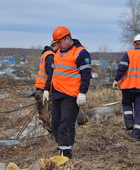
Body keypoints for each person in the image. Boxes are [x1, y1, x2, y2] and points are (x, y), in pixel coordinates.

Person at [49, 26, 92, 159]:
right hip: (57, 93)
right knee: (55, 123)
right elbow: (53, 73)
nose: (58, 45)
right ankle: (62, 147)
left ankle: (66, 153)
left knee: (65, 124)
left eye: (60, 42)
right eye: (56, 43)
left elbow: (86, 74)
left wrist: (82, 92)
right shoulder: (58, 53)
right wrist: (47, 89)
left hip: (71, 95)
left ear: (68, 38)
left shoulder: (80, 53)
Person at [113, 34, 140, 141]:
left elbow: (122, 68)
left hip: (128, 87)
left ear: (134, 44)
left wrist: (116, 80)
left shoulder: (129, 54)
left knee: (126, 104)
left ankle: (130, 123)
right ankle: (137, 135)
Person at [34, 41, 60, 132]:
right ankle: (52, 131)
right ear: (56, 45)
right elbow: (51, 72)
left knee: (42, 112)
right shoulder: (50, 55)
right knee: (50, 111)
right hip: (45, 88)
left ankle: (48, 129)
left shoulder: (45, 54)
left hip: (39, 86)